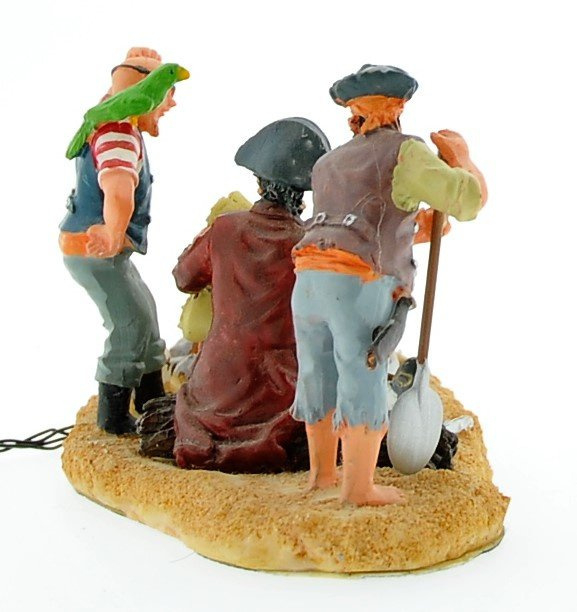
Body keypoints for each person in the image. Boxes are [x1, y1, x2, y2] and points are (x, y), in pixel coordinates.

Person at [291, 65, 488, 505]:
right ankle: (358, 489)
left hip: (307, 281)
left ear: (354, 111)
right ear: (398, 106)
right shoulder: (404, 152)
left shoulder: (328, 163)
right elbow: (467, 200)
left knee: (318, 375)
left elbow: (360, 219)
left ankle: (322, 477)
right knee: (363, 376)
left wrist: (414, 227)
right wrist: (461, 159)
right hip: (359, 284)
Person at [171, 118, 330, 472]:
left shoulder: (225, 228)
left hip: (215, 388)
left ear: (259, 183)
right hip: (282, 394)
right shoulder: (312, 245)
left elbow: (184, 277)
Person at [59, 47, 181, 434]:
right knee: (129, 325)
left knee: (146, 315)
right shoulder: (118, 136)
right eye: (167, 95)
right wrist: (113, 233)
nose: (171, 105)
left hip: (108, 251)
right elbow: (118, 190)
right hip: (95, 251)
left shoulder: (116, 119)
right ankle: (113, 418)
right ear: (146, 95)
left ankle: (151, 398)